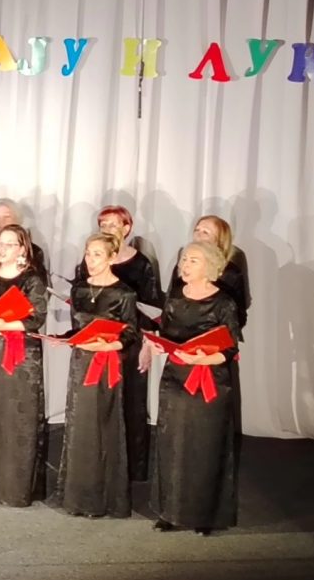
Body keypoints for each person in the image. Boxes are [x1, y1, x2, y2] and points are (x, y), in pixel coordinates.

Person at [149, 241, 242, 534]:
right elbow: (166, 332)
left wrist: (202, 358)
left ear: (210, 266)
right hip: (175, 380)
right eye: (184, 260)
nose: (185, 265)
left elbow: (229, 349)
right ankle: (170, 512)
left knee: (204, 447)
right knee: (173, 445)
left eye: (193, 260)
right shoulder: (175, 298)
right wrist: (158, 344)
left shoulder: (224, 303)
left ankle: (205, 516)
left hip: (209, 382)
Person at [51, 232, 138, 518]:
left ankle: (104, 497)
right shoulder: (79, 290)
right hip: (81, 362)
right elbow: (78, 328)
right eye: (88, 253)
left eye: (97, 254)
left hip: (106, 364)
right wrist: (63, 338)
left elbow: (131, 334)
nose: (90, 259)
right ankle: (78, 496)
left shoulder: (124, 293)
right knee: (80, 424)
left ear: (112, 258)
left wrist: (107, 345)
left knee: (104, 423)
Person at [75, 204, 162, 482]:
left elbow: (151, 308)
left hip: (129, 342)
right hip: (96, 340)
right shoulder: (90, 259)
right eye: (103, 225)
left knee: (131, 402)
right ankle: (99, 464)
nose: (107, 229)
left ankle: (131, 469)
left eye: (113, 224)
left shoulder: (141, 264)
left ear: (127, 228)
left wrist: (148, 345)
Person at [0, 224, 48, 506]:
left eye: (9, 244)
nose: (2, 249)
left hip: (21, 353)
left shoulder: (31, 279)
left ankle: (16, 487)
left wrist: (6, 324)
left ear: (22, 248)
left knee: (17, 414)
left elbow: (36, 317)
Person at [166, 215, 250, 330]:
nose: (198, 235)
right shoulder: (183, 265)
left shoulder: (231, 274)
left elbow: (239, 317)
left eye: (205, 232)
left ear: (219, 240)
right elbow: (170, 300)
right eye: (196, 230)